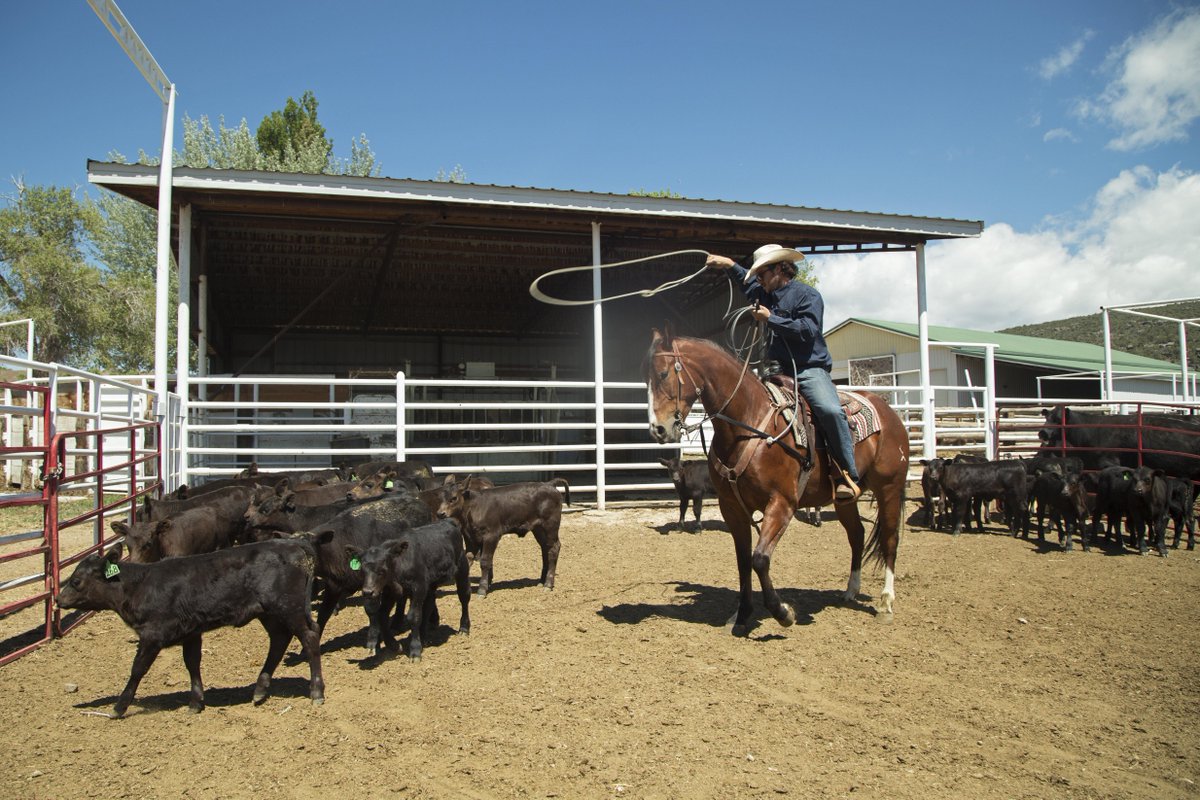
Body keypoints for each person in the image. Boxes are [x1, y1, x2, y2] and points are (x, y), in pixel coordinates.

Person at [706, 244, 862, 503]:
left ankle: (847, 474)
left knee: (830, 410)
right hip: (776, 370)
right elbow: (745, 282)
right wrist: (727, 263)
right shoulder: (764, 291)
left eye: (762, 274)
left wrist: (771, 319)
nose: (758, 280)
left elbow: (808, 329)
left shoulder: (807, 295)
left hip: (808, 369)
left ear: (779, 269)